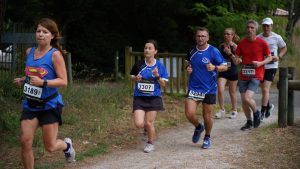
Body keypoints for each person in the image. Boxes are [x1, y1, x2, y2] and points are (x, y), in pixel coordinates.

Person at [13, 18, 75, 168]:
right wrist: (24, 80)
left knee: (50, 146)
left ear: (52, 36)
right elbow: (33, 75)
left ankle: (67, 146)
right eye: (38, 31)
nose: (40, 34)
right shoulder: (30, 52)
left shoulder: (55, 55)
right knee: (25, 141)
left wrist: (44, 83)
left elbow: (63, 81)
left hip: (49, 105)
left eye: (45, 32)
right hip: (30, 105)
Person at [185, 27, 227, 149]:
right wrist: (188, 69)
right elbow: (187, 64)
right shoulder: (192, 51)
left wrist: (215, 67)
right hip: (194, 87)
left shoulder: (213, 51)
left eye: (203, 36)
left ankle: (207, 137)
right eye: (198, 36)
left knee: (207, 116)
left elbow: (225, 66)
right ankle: (199, 127)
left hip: (209, 88)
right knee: (189, 113)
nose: (201, 38)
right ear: (195, 37)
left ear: (207, 38)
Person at [130, 40, 169, 153]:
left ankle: (150, 143)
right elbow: (132, 76)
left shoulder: (160, 66)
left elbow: (164, 84)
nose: (147, 50)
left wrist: (157, 76)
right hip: (139, 98)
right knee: (139, 124)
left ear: (155, 51)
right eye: (145, 48)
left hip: (154, 98)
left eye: (149, 48)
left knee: (148, 123)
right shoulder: (139, 64)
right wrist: (135, 78)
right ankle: (146, 130)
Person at [233, 20, 272, 131]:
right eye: (248, 27)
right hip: (244, 73)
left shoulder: (262, 43)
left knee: (247, 97)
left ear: (256, 29)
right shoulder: (242, 43)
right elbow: (236, 58)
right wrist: (237, 60)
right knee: (244, 100)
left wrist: (260, 63)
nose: (249, 29)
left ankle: (257, 113)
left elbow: (269, 57)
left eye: (252, 28)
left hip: (257, 73)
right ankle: (249, 122)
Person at [257, 17, 287, 120]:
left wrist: (279, 57)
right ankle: (269, 105)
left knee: (265, 89)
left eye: (268, 26)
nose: (266, 28)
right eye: (264, 25)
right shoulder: (258, 37)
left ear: (271, 26)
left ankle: (262, 112)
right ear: (262, 26)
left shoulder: (277, 37)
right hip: (261, 65)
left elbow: (284, 47)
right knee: (263, 89)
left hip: (272, 66)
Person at [214, 28, 240, 119]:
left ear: (232, 35)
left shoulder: (236, 47)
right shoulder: (221, 46)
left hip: (233, 71)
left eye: (228, 34)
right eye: (225, 34)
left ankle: (234, 110)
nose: (226, 36)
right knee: (220, 90)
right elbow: (217, 58)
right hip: (223, 71)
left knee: (232, 92)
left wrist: (230, 53)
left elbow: (237, 62)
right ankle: (222, 110)